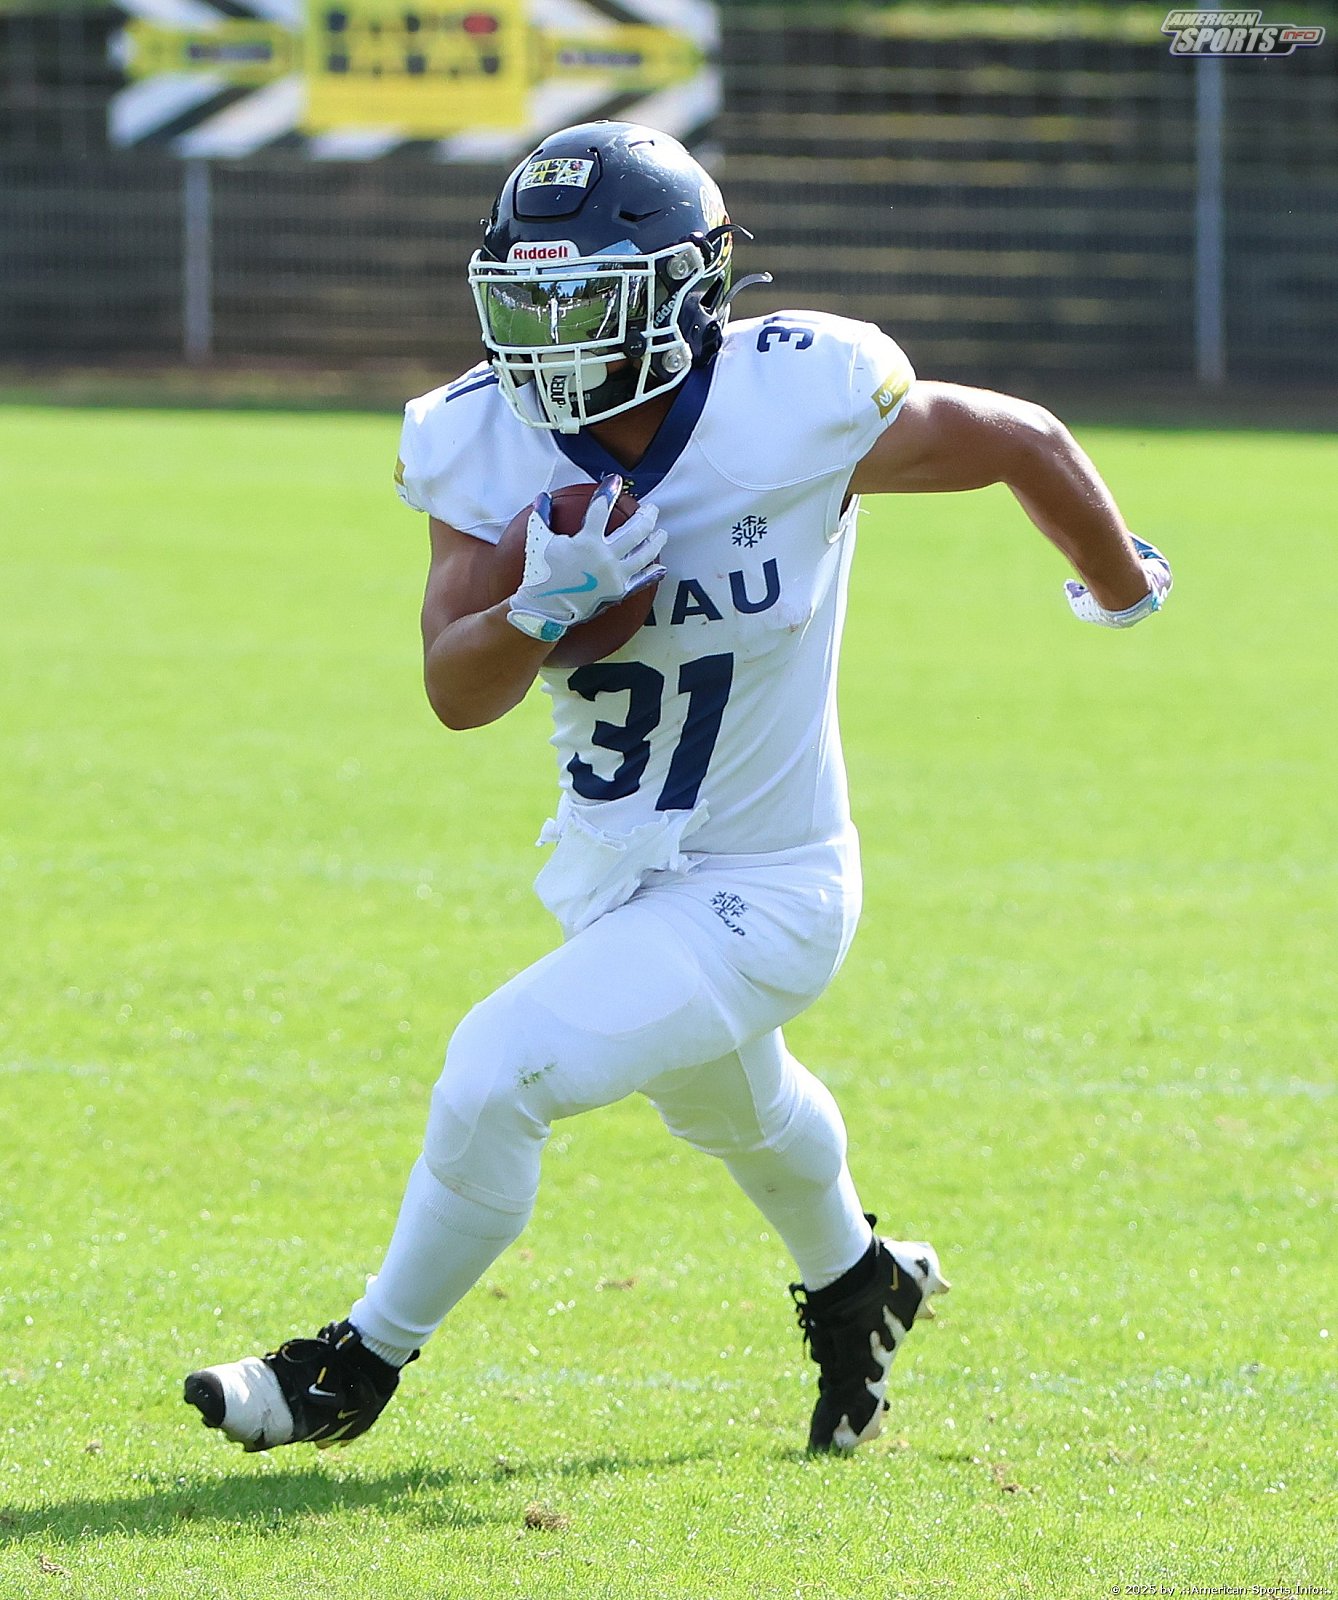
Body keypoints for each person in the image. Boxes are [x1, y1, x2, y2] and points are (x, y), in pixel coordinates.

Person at [184, 121, 1172, 1457]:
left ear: (687, 291)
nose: (552, 338)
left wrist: (1117, 584)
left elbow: (1017, 437)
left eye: (587, 299)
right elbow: (454, 691)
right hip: (619, 875)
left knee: (495, 1074)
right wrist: (538, 610)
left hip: (773, 883)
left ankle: (349, 1368)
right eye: (529, 300)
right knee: (743, 1114)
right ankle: (860, 1282)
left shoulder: (791, 401)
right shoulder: (483, 439)